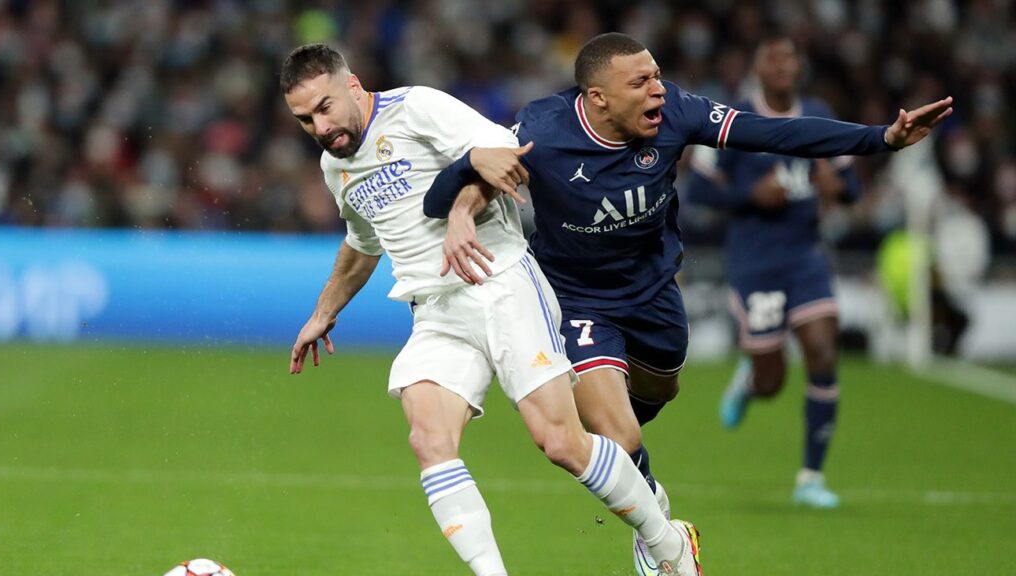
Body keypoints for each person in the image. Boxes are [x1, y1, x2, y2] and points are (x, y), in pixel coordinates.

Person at [424, 32, 951, 573]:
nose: (658, 89)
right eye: (641, 82)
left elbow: (774, 132)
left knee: (661, 389)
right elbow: (461, 183)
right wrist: (463, 206)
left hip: (654, 293)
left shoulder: (677, 111)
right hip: (578, 300)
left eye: (656, 75)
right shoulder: (542, 128)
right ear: (598, 98)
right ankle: (657, 528)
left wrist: (881, 138)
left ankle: (629, 471)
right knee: (620, 434)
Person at [279, 44, 702, 576]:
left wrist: (460, 213)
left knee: (561, 442)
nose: (320, 127)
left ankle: (667, 543)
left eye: (325, 108)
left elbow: (505, 148)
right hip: (435, 312)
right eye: (305, 120)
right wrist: (324, 312)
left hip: (501, 284)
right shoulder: (334, 166)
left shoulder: (415, 108)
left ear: (353, 86)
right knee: (429, 439)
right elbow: (363, 243)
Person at [685, 34, 867, 508]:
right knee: (772, 382)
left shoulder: (819, 115)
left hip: (806, 256)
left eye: (790, 58)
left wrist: (836, 185)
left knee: (822, 352)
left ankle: (811, 478)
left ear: (799, 67)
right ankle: (750, 381)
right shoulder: (734, 119)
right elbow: (698, 191)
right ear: (758, 69)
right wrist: (749, 196)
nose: (783, 66)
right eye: (773, 58)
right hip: (756, 263)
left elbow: (851, 186)